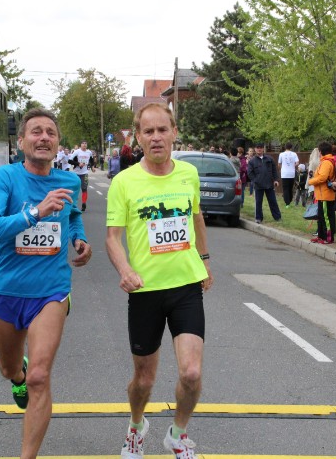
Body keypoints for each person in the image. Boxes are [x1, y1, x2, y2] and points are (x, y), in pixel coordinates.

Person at [0, 108, 91, 459]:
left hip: (51, 291)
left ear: (58, 143)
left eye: (50, 133)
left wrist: (79, 239)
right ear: (22, 141)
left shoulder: (69, 181)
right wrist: (35, 212)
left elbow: (73, 216)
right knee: (10, 369)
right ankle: (17, 376)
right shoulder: (6, 177)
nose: (44, 137)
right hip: (8, 288)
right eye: (36, 131)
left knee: (39, 377)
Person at [106, 103, 213, 459]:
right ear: (137, 137)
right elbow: (112, 238)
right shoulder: (124, 182)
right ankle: (136, 426)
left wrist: (205, 260)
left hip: (185, 286)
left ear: (174, 132)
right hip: (145, 291)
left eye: (162, 130)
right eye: (148, 131)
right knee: (144, 380)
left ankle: (178, 434)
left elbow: (196, 217)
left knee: (192, 373)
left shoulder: (188, 174)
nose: (156, 137)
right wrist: (125, 270)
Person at [307, 142, 336, 244]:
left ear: (321, 151)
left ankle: (328, 238)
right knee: (321, 217)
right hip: (321, 194)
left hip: (325, 194)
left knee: (326, 217)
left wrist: (311, 181)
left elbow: (322, 177)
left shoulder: (326, 162)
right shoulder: (325, 161)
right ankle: (321, 236)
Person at [247, 142, 281, 224]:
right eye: (257, 148)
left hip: (269, 184)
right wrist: (255, 180)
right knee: (258, 202)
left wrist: (276, 180)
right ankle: (258, 218)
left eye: (261, 148)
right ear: (255, 149)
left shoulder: (269, 159)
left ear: (263, 149)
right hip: (258, 185)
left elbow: (274, 170)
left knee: (273, 201)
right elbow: (250, 173)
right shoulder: (252, 161)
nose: (259, 149)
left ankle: (277, 217)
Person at [70, 140, 93, 211]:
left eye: (85, 143)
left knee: (84, 188)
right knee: (75, 189)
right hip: (76, 173)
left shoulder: (89, 152)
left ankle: (84, 203)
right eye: (83, 143)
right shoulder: (77, 152)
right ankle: (73, 204)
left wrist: (92, 167)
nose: (84, 145)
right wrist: (78, 164)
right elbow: (69, 160)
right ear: (80, 145)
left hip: (85, 173)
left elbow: (91, 160)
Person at [278, 142, 299, 207]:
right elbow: (297, 163)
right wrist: (293, 165)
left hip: (284, 173)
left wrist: (281, 168)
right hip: (292, 173)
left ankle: (287, 203)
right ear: (291, 147)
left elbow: (279, 164)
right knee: (290, 187)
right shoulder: (294, 154)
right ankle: (290, 200)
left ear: (285, 147)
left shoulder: (281, 154)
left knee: (285, 188)